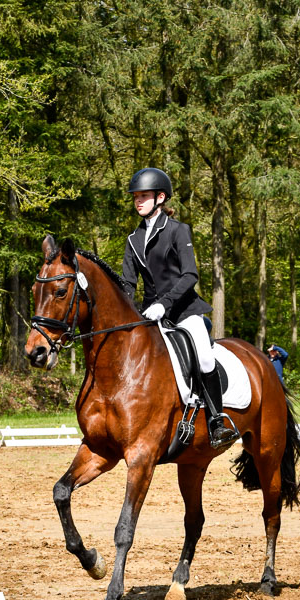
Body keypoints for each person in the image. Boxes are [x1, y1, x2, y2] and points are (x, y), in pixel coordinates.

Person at [122, 167, 238, 448]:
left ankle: (217, 422)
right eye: (136, 197)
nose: (138, 201)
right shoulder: (133, 239)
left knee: (205, 358)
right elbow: (127, 284)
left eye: (144, 196)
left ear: (160, 198)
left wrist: (164, 304)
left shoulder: (177, 230)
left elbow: (190, 275)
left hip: (184, 310)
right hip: (149, 315)